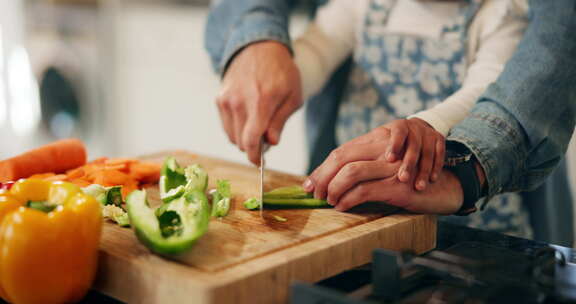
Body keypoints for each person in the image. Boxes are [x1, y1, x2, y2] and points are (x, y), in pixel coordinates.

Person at [205, 0, 576, 245]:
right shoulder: (361, 5)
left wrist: (426, 129)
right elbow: (318, 51)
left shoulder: (502, 13)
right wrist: (277, 83)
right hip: (367, 216)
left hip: (470, 227)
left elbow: (486, 89)